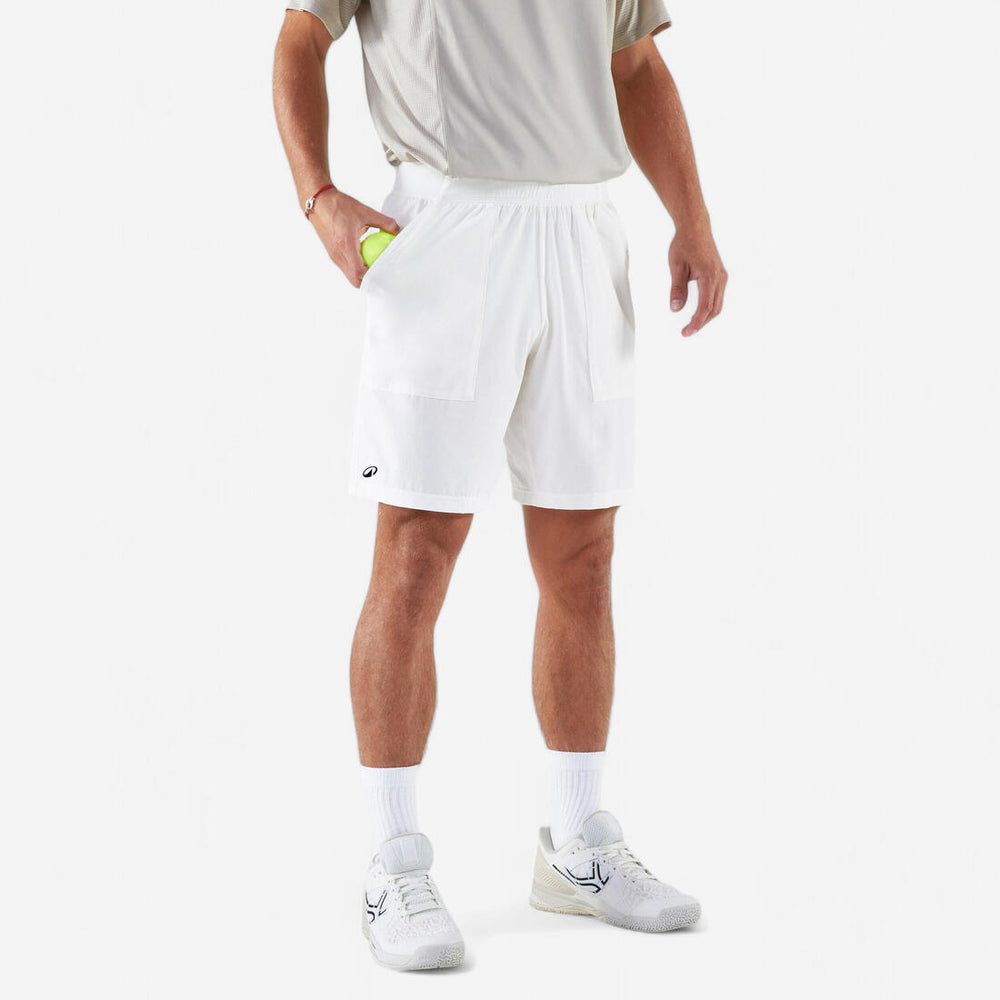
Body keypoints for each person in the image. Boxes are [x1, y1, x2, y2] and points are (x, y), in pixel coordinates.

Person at [273, 0, 727, 971]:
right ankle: (392, 859)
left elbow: (635, 65)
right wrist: (318, 197)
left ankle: (576, 844)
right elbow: (301, 36)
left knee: (584, 554)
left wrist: (690, 217)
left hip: (581, 231)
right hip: (445, 230)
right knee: (415, 553)